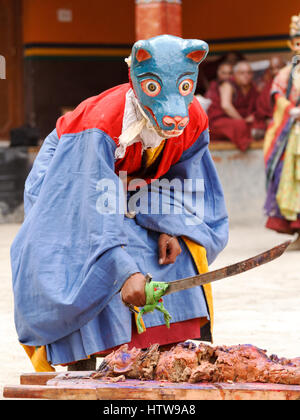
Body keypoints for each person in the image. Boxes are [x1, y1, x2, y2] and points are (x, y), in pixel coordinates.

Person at [10, 35, 228, 372]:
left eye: (184, 86)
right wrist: (123, 270)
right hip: (69, 175)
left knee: (172, 251)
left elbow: (188, 184)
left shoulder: (192, 117)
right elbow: (89, 205)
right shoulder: (102, 124)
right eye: (155, 89)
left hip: (134, 185)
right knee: (83, 260)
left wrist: (171, 226)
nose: (173, 110)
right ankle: (81, 360)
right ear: (136, 77)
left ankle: (156, 355)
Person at [264, 14, 300, 248]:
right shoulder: (286, 74)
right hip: (293, 133)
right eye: (297, 42)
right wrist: (292, 110)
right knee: (291, 181)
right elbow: (278, 97)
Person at [207, 60, 260, 151]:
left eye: (249, 73)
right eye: (242, 73)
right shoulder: (228, 85)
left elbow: (258, 107)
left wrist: (253, 116)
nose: (246, 75)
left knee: (260, 123)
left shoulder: (253, 87)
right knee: (240, 125)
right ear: (235, 75)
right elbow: (226, 105)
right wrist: (242, 120)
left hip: (240, 119)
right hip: (220, 120)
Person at [255, 56, 286, 129]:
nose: (275, 71)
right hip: (272, 120)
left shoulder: (294, 84)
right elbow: (261, 110)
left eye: (278, 67)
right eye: (272, 69)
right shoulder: (268, 86)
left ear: (285, 67)